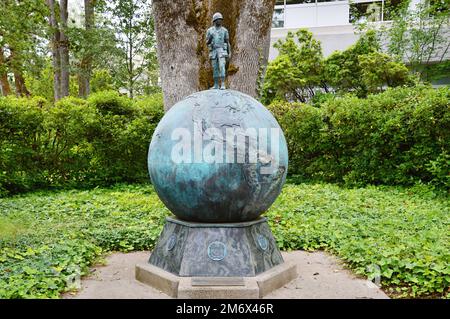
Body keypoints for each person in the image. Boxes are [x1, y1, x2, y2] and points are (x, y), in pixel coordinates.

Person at [206, 12, 231, 90]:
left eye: (220, 19)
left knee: (222, 66)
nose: (220, 21)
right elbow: (207, 42)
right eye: (218, 19)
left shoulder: (224, 30)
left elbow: (227, 42)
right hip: (213, 51)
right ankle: (216, 84)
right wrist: (210, 38)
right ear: (214, 20)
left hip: (221, 50)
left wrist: (229, 52)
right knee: (215, 68)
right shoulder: (210, 30)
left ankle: (223, 83)